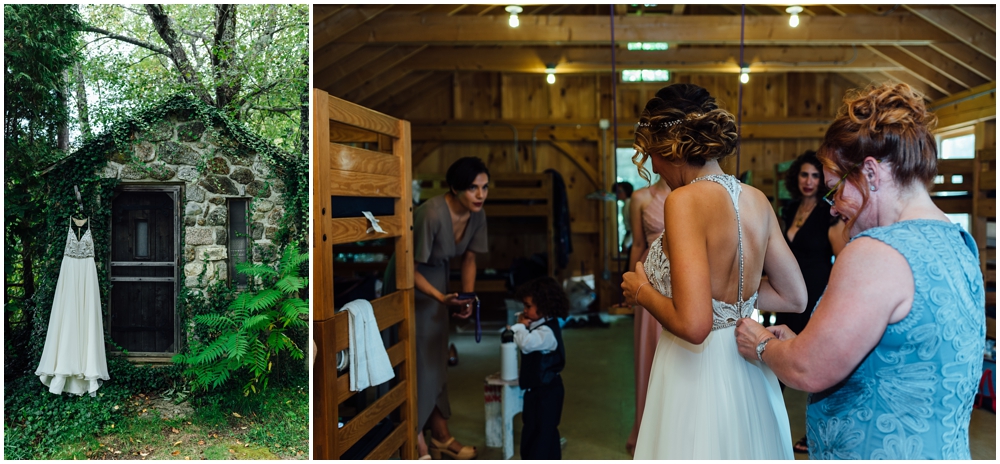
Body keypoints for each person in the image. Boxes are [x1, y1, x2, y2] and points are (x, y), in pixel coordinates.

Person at [735, 83, 985, 459]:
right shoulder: (959, 243)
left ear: (870, 172)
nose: (833, 208)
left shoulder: (875, 251)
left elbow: (807, 370)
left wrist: (761, 343)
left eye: (835, 189)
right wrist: (798, 342)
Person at [620, 83, 808, 459]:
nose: (653, 165)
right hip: (746, 359)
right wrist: (733, 300)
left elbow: (695, 325)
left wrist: (642, 292)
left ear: (669, 146)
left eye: (652, 153)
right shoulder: (755, 199)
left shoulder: (684, 201)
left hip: (696, 370)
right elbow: (794, 296)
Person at [384, 156, 490, 460]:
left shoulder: (477, 214)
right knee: (416, 358)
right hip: (410, 282)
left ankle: (441, 435)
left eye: (484, 187)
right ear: (455, 188)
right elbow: (408, 267)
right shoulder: (430, 213)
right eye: (473, 188)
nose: (480, 194)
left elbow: (470, 257)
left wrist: (467, 297)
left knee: (436, 354)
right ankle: (416, 441)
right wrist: (440, 298)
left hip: (439, 284)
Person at [777, 150, 847, 452]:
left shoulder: (828, 212)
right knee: (777, 358)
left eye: (815, 175)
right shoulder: (789, 208)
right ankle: (764, 420)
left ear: (823, 180)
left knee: (813, 364)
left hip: (817, 292)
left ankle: (813, 432)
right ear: (797, 177)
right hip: (787, 295)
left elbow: (842, 257)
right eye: (804, 174)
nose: (809, 181)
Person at [624, 176, 670, 455]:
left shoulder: (695, 191)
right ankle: (647, 429)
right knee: (651, 357)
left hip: (685, 276)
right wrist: (629, 287)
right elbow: (637, 244)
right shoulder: (641, 198)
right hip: (651, 278)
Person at [510, 276, 570, 460]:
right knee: (532, 430)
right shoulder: (538, 325)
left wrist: (519, 327)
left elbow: (527, 344)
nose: (524, 311)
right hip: (536, 390)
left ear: (544, 307)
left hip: (548, 392)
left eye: (528, 306)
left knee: (543, 435)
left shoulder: (547, 333)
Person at [615, 181, 635, 254]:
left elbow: (634, 227)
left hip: (632, 239)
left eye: (619, 191)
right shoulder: (625, 204)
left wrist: (627, 243)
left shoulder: (629, 203)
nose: (617, 194)